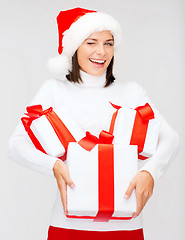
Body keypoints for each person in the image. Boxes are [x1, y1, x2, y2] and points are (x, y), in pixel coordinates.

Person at [8, 7, 179, 240]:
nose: (101, 52)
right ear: (74, 46)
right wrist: (53, 165)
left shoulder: (131, 93)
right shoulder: (54, 91)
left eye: (108, 43)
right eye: (91, 42)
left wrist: (150, 170)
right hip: (67, 226)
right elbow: (16, 145)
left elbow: (170, 138)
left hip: (126, 228)